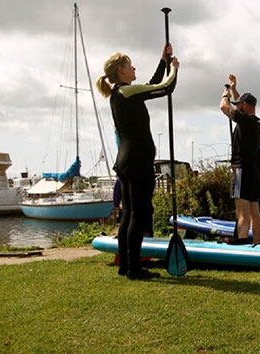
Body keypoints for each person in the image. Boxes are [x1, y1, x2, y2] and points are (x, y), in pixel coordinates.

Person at [96, 44, 178, 279]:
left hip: (126, 160)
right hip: (137, 161)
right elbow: (164, 87)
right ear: (121, 70)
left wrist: (163, 61)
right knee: (138, 214)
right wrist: (174, 69)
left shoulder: (121, 93)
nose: (134, 68)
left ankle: (126, 266)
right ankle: (133, 268)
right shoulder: (125, 92)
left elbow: (152, 84)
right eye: (130, 65)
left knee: (130, 213)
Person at [220, 74, 260, 245]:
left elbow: (224, 107)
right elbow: (240, 104)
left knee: (242, 211)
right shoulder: (257, 122)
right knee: (255, 211)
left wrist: (225, 94)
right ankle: (257, 242)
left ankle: (243, 241)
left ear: (245, 106)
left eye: (239, 105)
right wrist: (233, 87)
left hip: (241, 170)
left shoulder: (245, 121)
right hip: (253, 170)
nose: (237, 106)